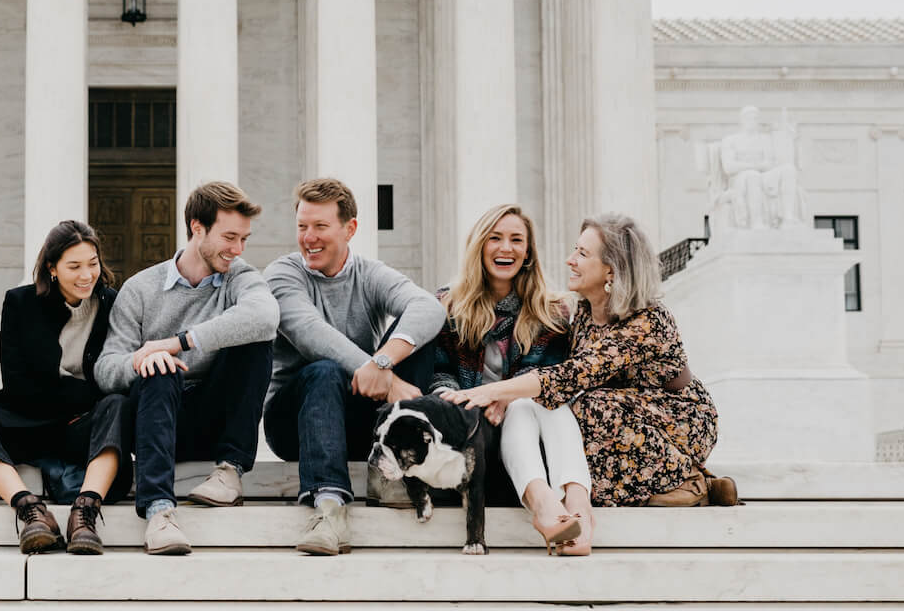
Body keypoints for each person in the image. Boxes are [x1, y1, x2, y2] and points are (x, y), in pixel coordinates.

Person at [444, 216, 730, 518]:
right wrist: (510, 397)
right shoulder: (584, 311)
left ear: (612, 268)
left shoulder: (648, 320)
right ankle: (559, 502)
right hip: (620, 412)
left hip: (678, 420)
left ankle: (688, 479)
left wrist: (492, 390)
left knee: (583, 409)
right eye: (574, 250)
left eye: (582, 253)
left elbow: (571, 375)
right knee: (553, 411)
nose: (570, 260)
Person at [262, 177, 447, 555]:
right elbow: (312, 335)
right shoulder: (282, 275)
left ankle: (393, 465)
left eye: (319, 227)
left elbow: (430, 307)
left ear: (350, 229)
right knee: (325, 369)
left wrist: (384, 363)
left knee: (415, 336)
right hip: (293, 421)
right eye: (302, 227)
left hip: (358, 415)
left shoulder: (369, 273)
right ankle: (329, 508)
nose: (308, 238)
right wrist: (380, 374)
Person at [94, 181, 279, 556]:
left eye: (244, 238)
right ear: (197, 228)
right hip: (154, 422)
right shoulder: (140, 289)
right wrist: (144, 358)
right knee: (160, 369)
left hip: (213, 421)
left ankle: (229, 472)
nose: (238, 249)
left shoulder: (239, 277)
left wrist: (179, 341)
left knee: (255, 338)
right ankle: (160, 512)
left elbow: (265, 316)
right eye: (229, 237)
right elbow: (105, 369)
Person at [0, 220, 129, 554]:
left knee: (118, 404)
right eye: (74, 266)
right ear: (52, 268)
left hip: (82, 427)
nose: (86, 275)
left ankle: (85, 511)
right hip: (29, 421)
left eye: (92, 264)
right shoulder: (21, 302)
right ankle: (29, 509)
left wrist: (78, 397)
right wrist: (83, 394)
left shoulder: (111, 302)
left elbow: (112, 380)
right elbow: (18, 384)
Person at [425, 204, 584, 555]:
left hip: (525, 439)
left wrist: (504, 397)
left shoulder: (551, 311)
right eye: (495, 238)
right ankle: (552, 508)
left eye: (516, 240)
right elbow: (438, 371)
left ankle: (552, 506)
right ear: (479, 245)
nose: (506, 248)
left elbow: (549, 377)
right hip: (466, 435)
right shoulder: (448, 305)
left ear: (528, 252)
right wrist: (466, 401)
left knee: (530, 402)